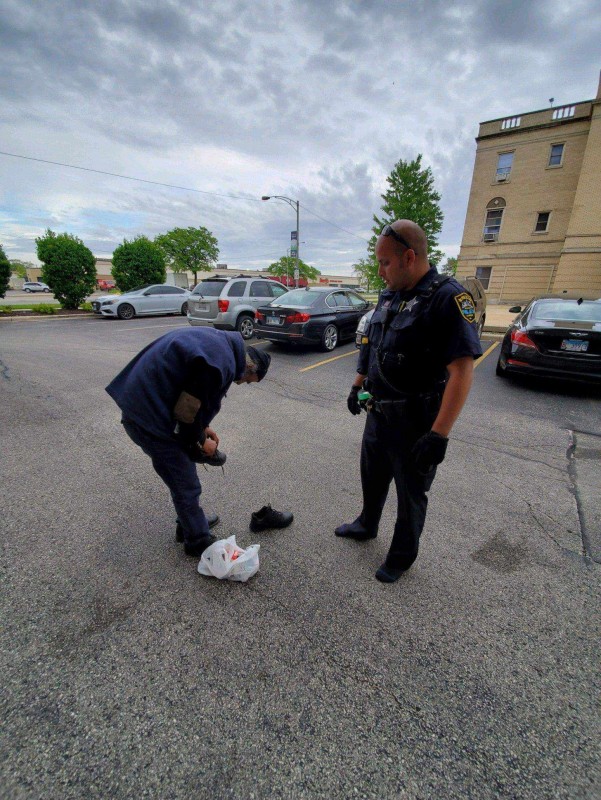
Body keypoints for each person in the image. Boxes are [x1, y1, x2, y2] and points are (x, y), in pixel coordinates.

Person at [336, 220, 482, 583]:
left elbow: (462, 371)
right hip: (378, 413)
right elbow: (371, 345)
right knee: (372, 477)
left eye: (385, 262)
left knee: (410, 493)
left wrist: (439, 435)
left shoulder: (448, 298)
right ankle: (367, 524)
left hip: (417, 423)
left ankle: (401, 556)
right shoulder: (390, 294)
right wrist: (357, 385)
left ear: (410, 257)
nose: (380, 271)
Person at [106, 327, 271, 556]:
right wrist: (201, 441)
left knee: (181, 473)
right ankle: (197, 539)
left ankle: (189, 523)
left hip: (144, 407)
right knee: (185, 481)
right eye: (250, 381)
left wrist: (203, 427)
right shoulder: (217, 365)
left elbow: (191, 394)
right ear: (250, 368)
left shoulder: (221, 347)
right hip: (148, 419)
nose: (243, 383)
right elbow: (185, 414)